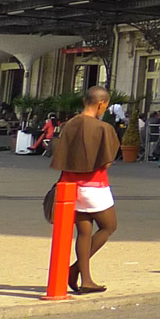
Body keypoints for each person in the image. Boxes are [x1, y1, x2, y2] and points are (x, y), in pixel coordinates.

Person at [53, 84, 121, 294]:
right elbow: (107, 161)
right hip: (94, 185)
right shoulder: (103, 128)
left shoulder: (70, 124)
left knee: (83, 231)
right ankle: (75, 271)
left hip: (69, 185)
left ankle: (86, 278)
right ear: (101, 104)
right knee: (109, 226)